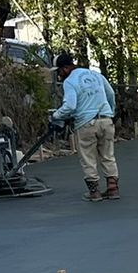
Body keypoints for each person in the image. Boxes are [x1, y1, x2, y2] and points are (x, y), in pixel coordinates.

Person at [49, 52, 119, 201]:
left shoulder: (69, 82)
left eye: (59, 71)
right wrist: (110, 112)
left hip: (86, 123)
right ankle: (113, 189)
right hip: (106, 120)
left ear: (66, 68)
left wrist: (56, 115)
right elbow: (111, 93)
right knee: (108, 155)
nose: (59, 75)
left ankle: (94, 192)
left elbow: (70, 106)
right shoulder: (95, 75)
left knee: (88, 158)